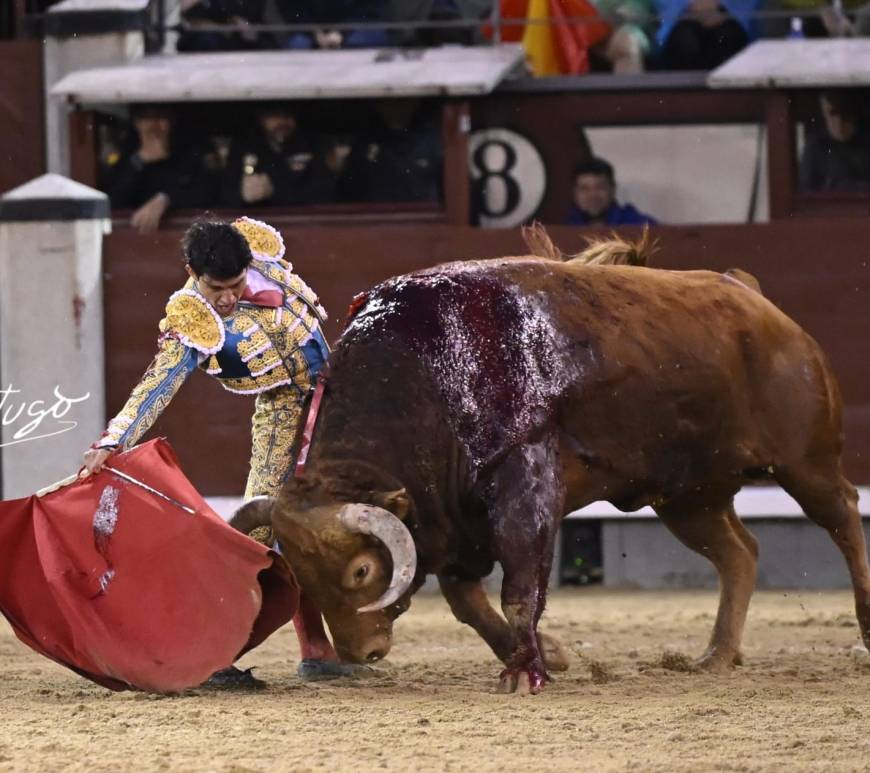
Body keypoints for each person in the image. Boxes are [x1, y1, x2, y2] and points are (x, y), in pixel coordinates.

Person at [80, 217, 350, 681]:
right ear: (192, 272)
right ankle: (211, 655)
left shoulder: (261, 253)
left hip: (342, 397)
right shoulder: (192, 318)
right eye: (216, 288)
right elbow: (158, 382)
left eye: (236, 285)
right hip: (284, 412)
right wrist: (114, 440)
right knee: (260, 530)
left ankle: (318, 649)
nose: (227, 298)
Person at [103, 105, 216, 234]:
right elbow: (112, 201)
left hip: (183, 234)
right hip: (134, 236)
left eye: (161, 117)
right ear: (136, 123)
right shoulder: (124, 155)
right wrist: (139, 161)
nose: (154, 125)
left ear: (171, 122)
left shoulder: (191, 153)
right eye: (147, 118)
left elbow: (206, 193)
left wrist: (166, 199)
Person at [221, 103, 328, 207]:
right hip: (258, 216)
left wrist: (274, 191)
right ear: (261, 118)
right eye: (275, 115)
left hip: (301, 216)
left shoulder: (310, 145)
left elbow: (323, 192)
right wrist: (241, 194)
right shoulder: (245, 146)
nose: (282, 122)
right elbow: (225, 193)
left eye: (287, 115)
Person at [339, 99, 443, 204]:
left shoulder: (433, 141)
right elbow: (349, 191)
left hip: (425, 212)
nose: (394, 107)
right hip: (377, 211)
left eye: (401, 101)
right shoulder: (365, 144)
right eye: (385, 102)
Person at [654, 0, 756, 70]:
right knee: (685, 42)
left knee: (726, 37)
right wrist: (691, 7)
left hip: (735, 27)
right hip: (677, 27)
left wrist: (720, 7)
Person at [800, 92, 870, 191]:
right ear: (824, 114)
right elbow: (806, 190)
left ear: (855, 113)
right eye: (833, 113)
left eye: (845, 112)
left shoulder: (867, 142)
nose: (839, 121)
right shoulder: (815, 147)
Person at [567, 157, 657, 226]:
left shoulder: (639, 225)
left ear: (612, 190)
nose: (593, 195)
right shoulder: (565, 228)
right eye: (584, 189)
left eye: (600, 187)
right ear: (575, 193)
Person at [275, 0, 389, 49]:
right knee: (298, 45)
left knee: (359, 43)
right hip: (310, 33)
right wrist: (314, 33)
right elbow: (291, 9)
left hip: (358, 28)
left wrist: (341, 32)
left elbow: (372, 10)